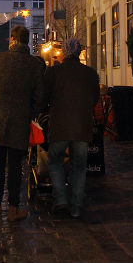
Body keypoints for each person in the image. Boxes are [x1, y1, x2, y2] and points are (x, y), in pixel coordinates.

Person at [0, 26, 44, 221]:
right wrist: (30, 113)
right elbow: (38, 96)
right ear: (26, 41)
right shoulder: (34, 65)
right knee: (16, 166)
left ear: (12, 40)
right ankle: (13, 208)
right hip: (20, 119)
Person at [44, 38, 100, 218]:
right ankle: (76, 207)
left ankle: (61, 200)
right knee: (79, 166)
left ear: (65, 53)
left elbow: (44, 97)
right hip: (82, 127)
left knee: (55, 162)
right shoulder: (90, 74)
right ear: (79, 53)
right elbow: (95, 98)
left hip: (59, 126)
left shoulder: (53, 72)